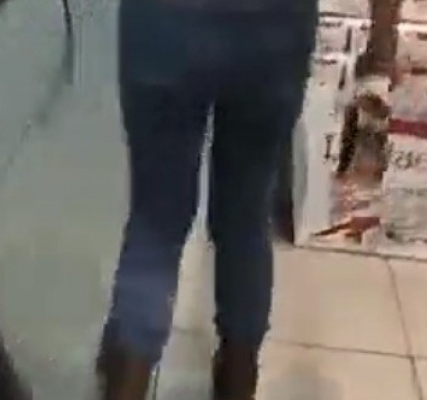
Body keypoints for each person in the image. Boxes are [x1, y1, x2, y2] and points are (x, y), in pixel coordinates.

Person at [96, 0, 404, 399]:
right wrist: (381, 48)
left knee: (155, 224)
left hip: (165, 23)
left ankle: (126, 381)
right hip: (273, 30)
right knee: (245, 217)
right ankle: (237, 382)